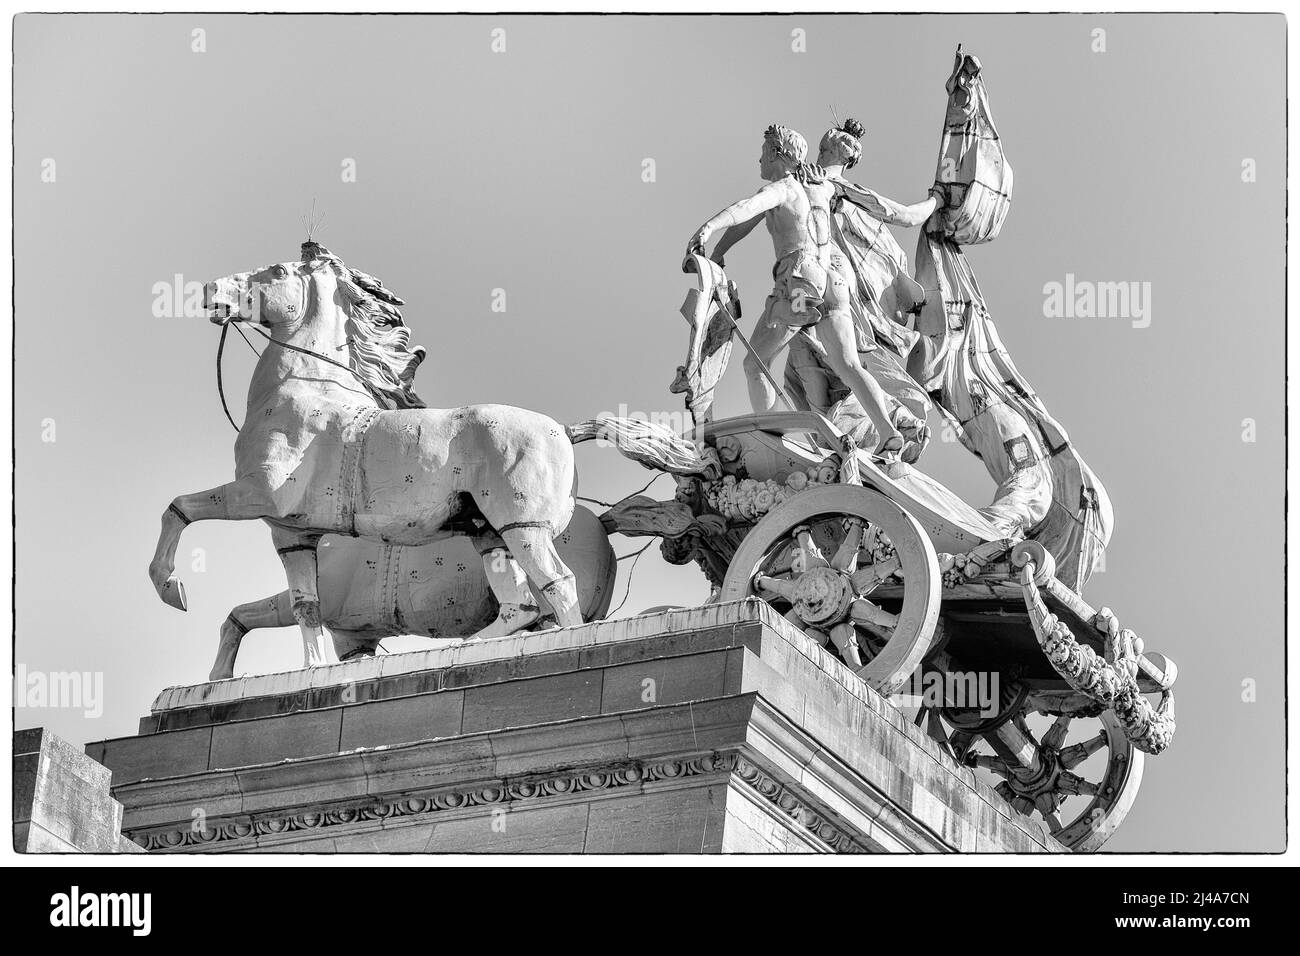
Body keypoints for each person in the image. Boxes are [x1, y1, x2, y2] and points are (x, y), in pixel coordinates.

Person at [688, 124, 938, 461]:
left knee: (755, 364)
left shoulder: (785, 187)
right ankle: (888, 432)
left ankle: (772, 441)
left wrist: (707, 228)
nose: (758, 158)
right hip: (833, 284)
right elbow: (749, 222)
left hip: (799, 280)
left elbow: (745, 209)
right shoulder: (820, 186)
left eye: (763, 152)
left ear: (777, 153)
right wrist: (718, 252)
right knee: (848, 363)